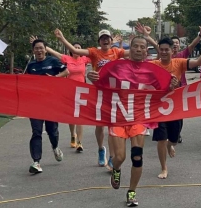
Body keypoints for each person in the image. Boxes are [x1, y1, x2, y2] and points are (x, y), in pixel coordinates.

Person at [87, 36, 179, 207]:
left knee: (137, 157)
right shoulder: (116, 67)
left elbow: (163, 92)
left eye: (141, 47)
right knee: (119, 157)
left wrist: (172, 86)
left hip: (139, 118)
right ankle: (116, 169)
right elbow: (101, 85)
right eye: (135, 46)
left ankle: (132, 191)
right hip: (118, 118)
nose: (138, 49)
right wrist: (93, 78)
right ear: (131, 49)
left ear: (146, 51)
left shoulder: (152, 70)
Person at [55, 25, 157, 170]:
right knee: (100, 126)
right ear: (99, 41)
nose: (105, 41)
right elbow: (76, 51)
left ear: (110, 41)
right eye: (102, 39)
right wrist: (62, 38)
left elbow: (136, 52)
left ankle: (111, 156)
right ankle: (101, 149)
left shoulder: (117, 51)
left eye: (107, 38)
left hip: (114, 94)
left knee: (111, 126)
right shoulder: (94, 52)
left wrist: (145, 38)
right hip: (100, 92)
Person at [150, 33, 201, 179]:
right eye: (161, 49)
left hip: (176, 107)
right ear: (158, 51)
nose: (163, 52)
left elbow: (199, 62)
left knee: (173, 138)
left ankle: (170, 144)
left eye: (166, 49)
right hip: (159, 107)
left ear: (172, 51)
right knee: (161, 138)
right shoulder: (153, 65)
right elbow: (136, 70)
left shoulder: (179, 62)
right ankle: (164, 168)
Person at [25, 38, 69, 173]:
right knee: (36, 132)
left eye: (41, 48)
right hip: (35, 104)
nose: (39, 50)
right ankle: (36, 162)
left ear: (45, 49)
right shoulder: (30, 66)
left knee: (52, 131)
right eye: (36, 48)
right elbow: (24, 82)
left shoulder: (52, 61)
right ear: (33, 51)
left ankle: (55, 147)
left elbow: (67, 72)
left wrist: (54, 78)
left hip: (51, 103)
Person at [39, 37, 91, 152]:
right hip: (69, 90)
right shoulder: (66, 58)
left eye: (79, 48)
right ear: (71, 50)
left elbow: (100, 54)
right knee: (72, 116)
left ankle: (80, 143)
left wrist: (115, 44)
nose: (77, 49)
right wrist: (40, 44)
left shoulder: (84, 59)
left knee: (80, 117)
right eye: (75, 47)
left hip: (82, 91)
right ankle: (73, 135)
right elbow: (53, 52)